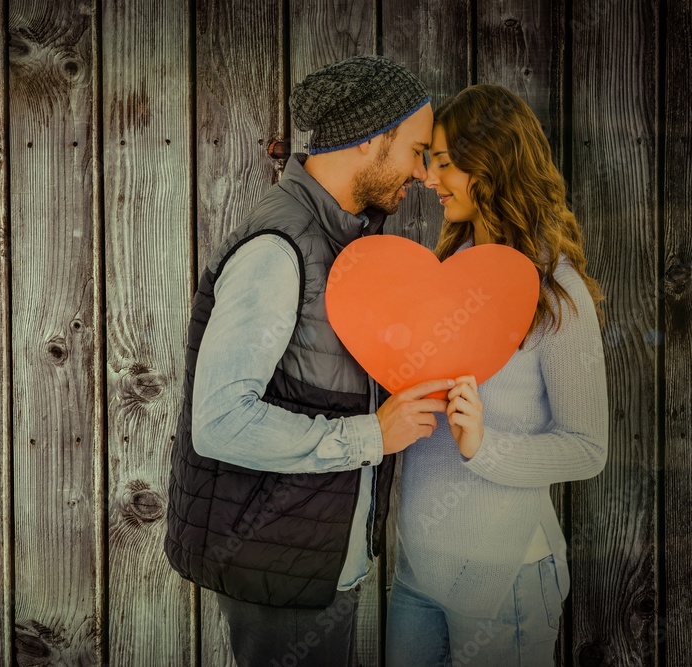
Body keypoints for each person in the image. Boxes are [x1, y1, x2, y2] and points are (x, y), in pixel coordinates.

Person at [164, 55, 453, 665]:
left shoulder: (343, 239)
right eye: (418, 150)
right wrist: (372, 434)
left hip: (312, 561)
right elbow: (221, 422)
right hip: (276, 563)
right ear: (372, 140)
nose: (426, 175)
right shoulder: (280, 247)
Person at [385, 84, 609, 666]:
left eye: (444, 162)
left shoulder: (557, 293)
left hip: (506, 583)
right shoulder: (443, 275)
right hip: (416, 573)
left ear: (492, 163)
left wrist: (486, 448)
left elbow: (587, 450)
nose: (429, 179)